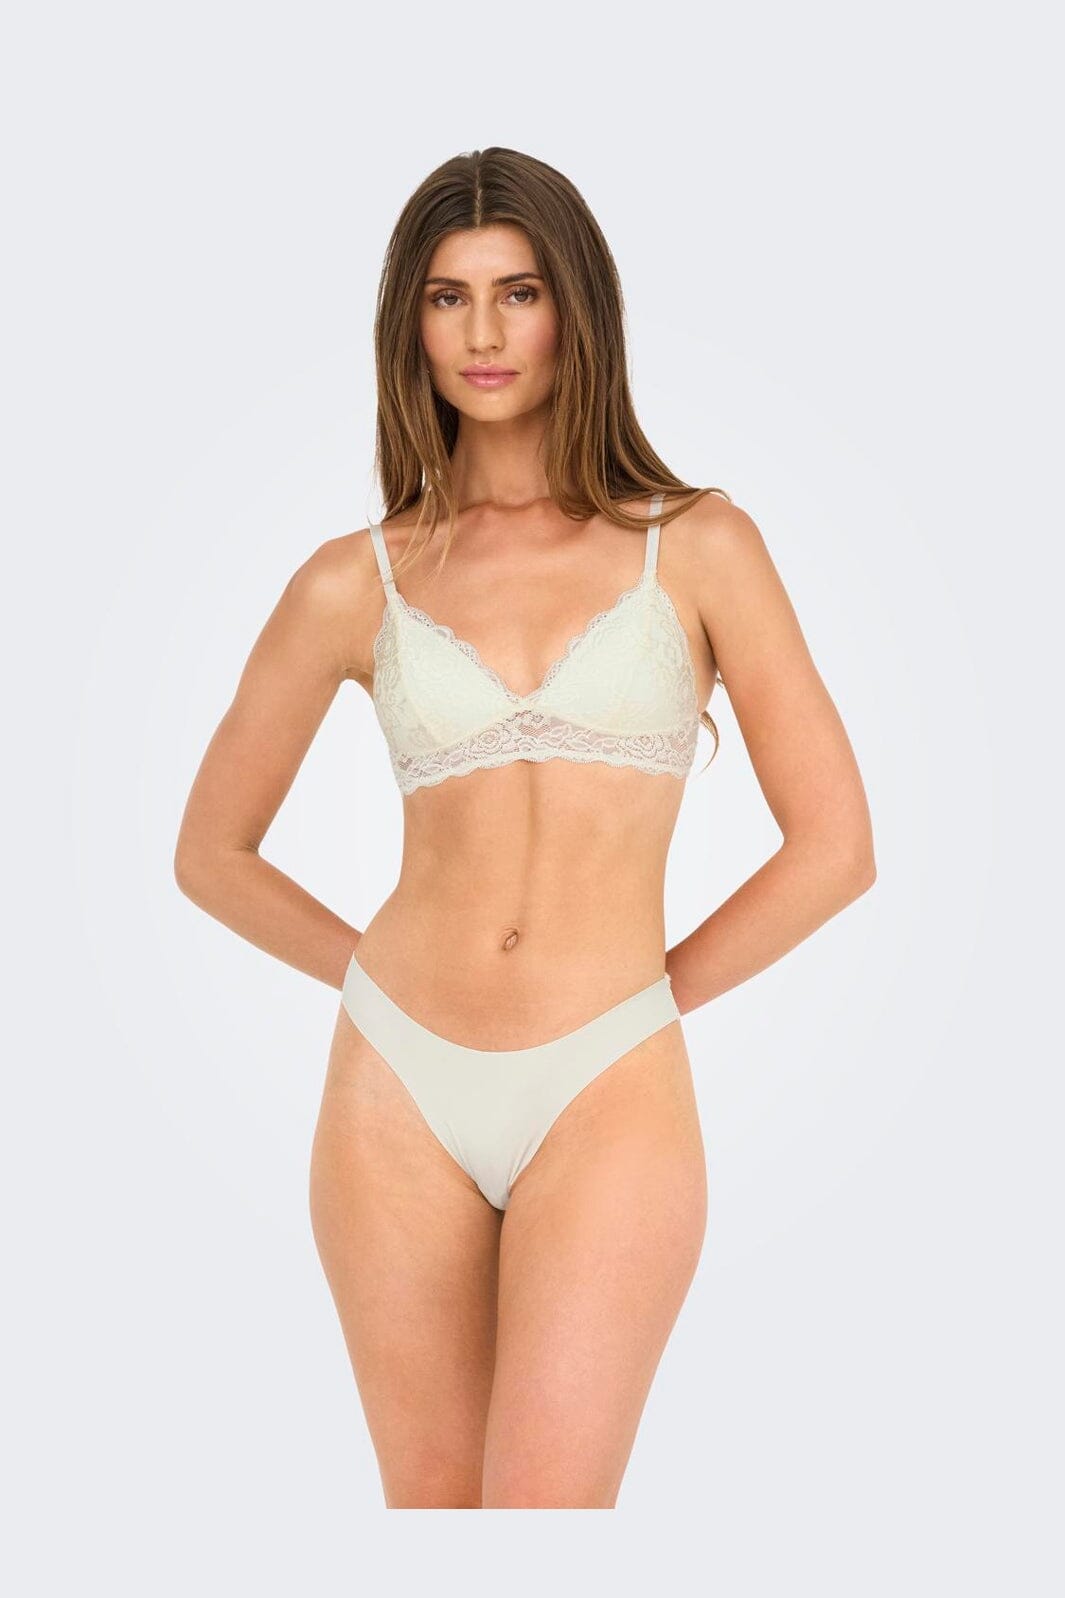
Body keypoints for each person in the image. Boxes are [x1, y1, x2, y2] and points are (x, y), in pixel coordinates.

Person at [174, 147, 876, 1510]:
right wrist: (377, 987)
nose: (483, 333)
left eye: (520, 292)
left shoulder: (699, 544)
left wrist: (651, 1001)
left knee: (547, 1517)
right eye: (448, 298)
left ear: (577, 311)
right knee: (434, 1525)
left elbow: (836, 846)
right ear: (410, 324)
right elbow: (211, 851)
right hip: (395, 1082)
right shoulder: (355, 579)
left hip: (608, 1073)